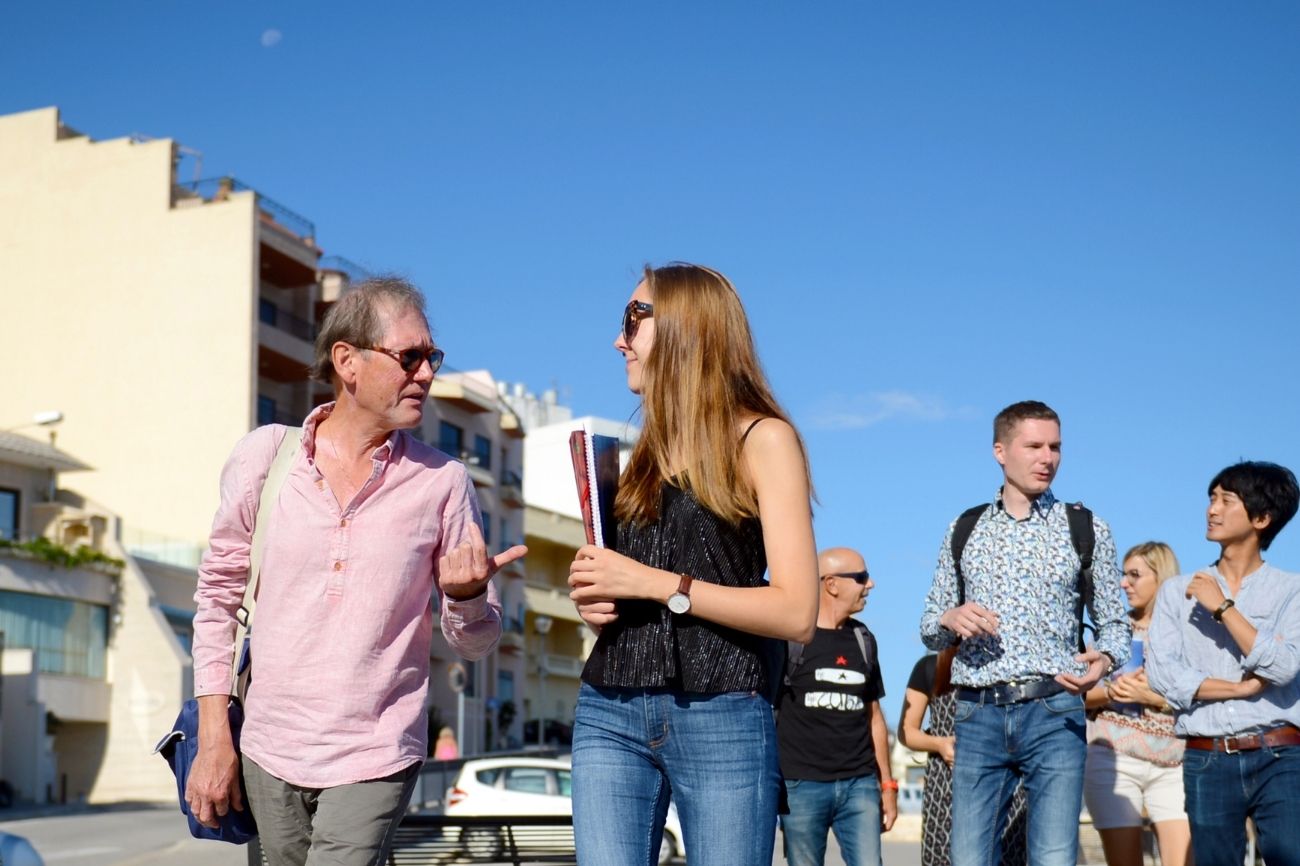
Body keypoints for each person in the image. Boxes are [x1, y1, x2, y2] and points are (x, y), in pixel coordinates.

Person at [187, 278, 526, 866]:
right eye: (409, 357)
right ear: (346, 360)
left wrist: (468, 598)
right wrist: (216, 737)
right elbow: (217, 600)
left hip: (377, 752)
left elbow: (474, 644)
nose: (425, 374)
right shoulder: (266, 457)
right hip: (266, 747)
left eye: (431, 358)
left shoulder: (443, 481)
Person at [567, 262, 818, 866]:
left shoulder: (763, 438)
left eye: (633, 317)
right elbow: (632, 592)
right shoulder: (642, 455)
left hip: (724, 713)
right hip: (609, 707)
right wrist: (597, 598)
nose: (618, 339)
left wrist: (652, 583)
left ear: (687, 325)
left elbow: (797, 611)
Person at [919, 399, 1131, 866]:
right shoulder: (965, 528)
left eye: (1055, 446)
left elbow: (1116, 623)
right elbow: (929, 627)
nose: (1047, 457)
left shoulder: (1086, 527)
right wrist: (948, 619)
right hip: (977, 712)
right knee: (968, 857)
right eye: (1033, 445)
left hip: (1056, 710)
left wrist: (1106, 659)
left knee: (1054, 857)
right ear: (1000, 450)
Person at [1147, 461, 1300, 866]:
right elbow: (1164, 676)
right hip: (1206, 755)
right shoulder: (1176, 592)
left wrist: (1223, 608)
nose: (1211, 509)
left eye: (1225, 500)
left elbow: (1285, 668)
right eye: (1211, 498)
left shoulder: (1293, 590)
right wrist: (1239, 688)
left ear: (1262, 518)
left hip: (1282, 754)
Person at [777, 547, 897, 866]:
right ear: (832, 584)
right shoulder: (791, 639)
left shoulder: (864, 639)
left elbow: (874, 717)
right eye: (861, 578)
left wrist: (887, 784)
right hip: (801, 786)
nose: (869, 585)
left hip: (859, 785)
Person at [1082, 541, 1191, 866]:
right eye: (1122, 574)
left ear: (1162, 578)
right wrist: (1113, 692)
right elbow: (1078, 694)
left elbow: (1205, 696)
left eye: (1134, 575)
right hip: (1112, 761)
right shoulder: (1110, 632)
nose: (1123, 583)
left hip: (1174, 763)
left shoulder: (1187, 633)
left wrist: (1152, 696)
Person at [899, 653, 1028, 866]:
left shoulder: (1008, 663)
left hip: (1006, 784)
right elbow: (906, 732)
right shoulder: (931, 666)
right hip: (945, 789)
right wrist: (939, 744)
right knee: (942, 858)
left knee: (1007, 856)